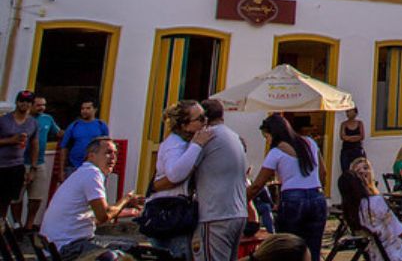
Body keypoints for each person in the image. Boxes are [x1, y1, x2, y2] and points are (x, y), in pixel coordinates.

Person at [40, 136, 141, 260]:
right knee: (129, 253)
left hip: (55, 246)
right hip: (68, 247)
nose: (113, 158)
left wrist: (125, 210)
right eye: (108, 153)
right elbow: (103, 216)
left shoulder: (82, 173)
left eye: (115, 153)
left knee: (129, 246)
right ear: (91, 156)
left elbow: (91, 217)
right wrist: (126, 199)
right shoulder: (92, 173)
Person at [248, 114, 325, 261]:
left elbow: (258, 184)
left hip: (292, 199)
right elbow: (323, 172)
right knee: (313, 249)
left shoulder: (276, 152)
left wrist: (243, 200)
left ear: (273, 133)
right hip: (317, 196)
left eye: (266, 137)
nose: (267, 140)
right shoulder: (310, 143)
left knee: (288, 250)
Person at [183, 99, 249, 261]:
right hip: (237, 213)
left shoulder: (207, 137)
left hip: (215, 215)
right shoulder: (234, 136)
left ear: (204, 118)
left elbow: (185, 169)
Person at [147, 100, 213, 259]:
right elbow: (175, 174)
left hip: (173, 210)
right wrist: (197, 145)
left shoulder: (182, 143)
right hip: (170, 212)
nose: (205, 121)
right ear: (184, 125)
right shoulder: (175, 145)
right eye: (200, 118)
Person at [339, 160, 402, 261]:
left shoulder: (351, 209)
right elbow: (398, 230)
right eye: (359, 172)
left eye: (366, 168)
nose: (364, 173)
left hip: (376, 254)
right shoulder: (374, 202)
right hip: (394, 253)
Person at [22, 94, 63, 232]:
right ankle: (17, 224)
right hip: (20, 162)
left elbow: (58, 134)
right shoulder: (23, 119)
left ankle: (29, 225)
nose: (42, 108)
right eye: (38, 105)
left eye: (44, 105)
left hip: (39, 163)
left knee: (36, 197)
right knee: (16, 197)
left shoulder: (47, 119)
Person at [1, 90, 40, 228]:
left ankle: (5, 227)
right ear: (17, 102)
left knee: (10, 199)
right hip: (2, 164)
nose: (24, 104)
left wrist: (33, 167)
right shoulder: (4, 120)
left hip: (17, 165)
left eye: (28, 102)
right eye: (22, 101)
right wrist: (10, 140)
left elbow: (35, 144)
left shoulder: (32, 123)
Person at [57, 99, 109, 180]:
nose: (84, 111)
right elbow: (64, 147)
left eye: (88, 108)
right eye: (83, 109)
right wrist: (61, 170)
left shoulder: (101, 125)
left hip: (95, 167)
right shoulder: (74, 125)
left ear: (95, 110)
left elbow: (107, 147)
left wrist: (105, 167)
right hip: (74, 167)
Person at [340, 108, 366, 175]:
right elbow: (342, 136)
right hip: (346, 150)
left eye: (349, 111)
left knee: (360, 170)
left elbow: (362, 136)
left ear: (355, 113)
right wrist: (355, 137)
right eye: (347, 112)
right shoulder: (344, 124)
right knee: (345, 171)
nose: (347, 113)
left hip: (357, 150)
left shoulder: (359, 123)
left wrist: (349, 138)